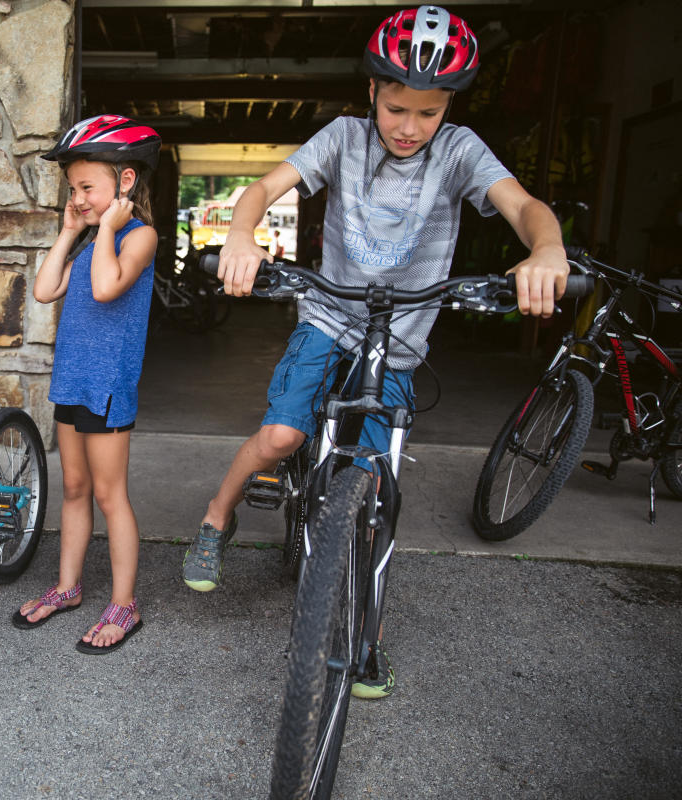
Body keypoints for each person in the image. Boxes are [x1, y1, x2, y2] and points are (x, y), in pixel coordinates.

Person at [181, 6, 569, 696]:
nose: (410, 127)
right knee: (279, 435)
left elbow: (524, 206)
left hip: (400, 339)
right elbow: (265, 188)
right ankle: (216, 517)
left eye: (428, 111)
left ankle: (370, 634)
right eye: (396, 107)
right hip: (329, 315)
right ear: (371, 93)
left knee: (377, 489)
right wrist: (241, 235)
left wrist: (547, 247)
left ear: (449, 104)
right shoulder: (342, 139)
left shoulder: (459, 152)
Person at [11, 115, 160, 654]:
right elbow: (46, 290)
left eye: (86, 188)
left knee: (107, 493)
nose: (77, 198)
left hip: (108, 385)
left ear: (124, 183)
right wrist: (73, 229)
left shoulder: (139, 237)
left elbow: (104, 288)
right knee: (74, 488)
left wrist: (109, 229)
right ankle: (68, 587)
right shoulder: (85, 240)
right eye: (72, 190)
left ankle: (125, 602)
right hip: (72, 380)